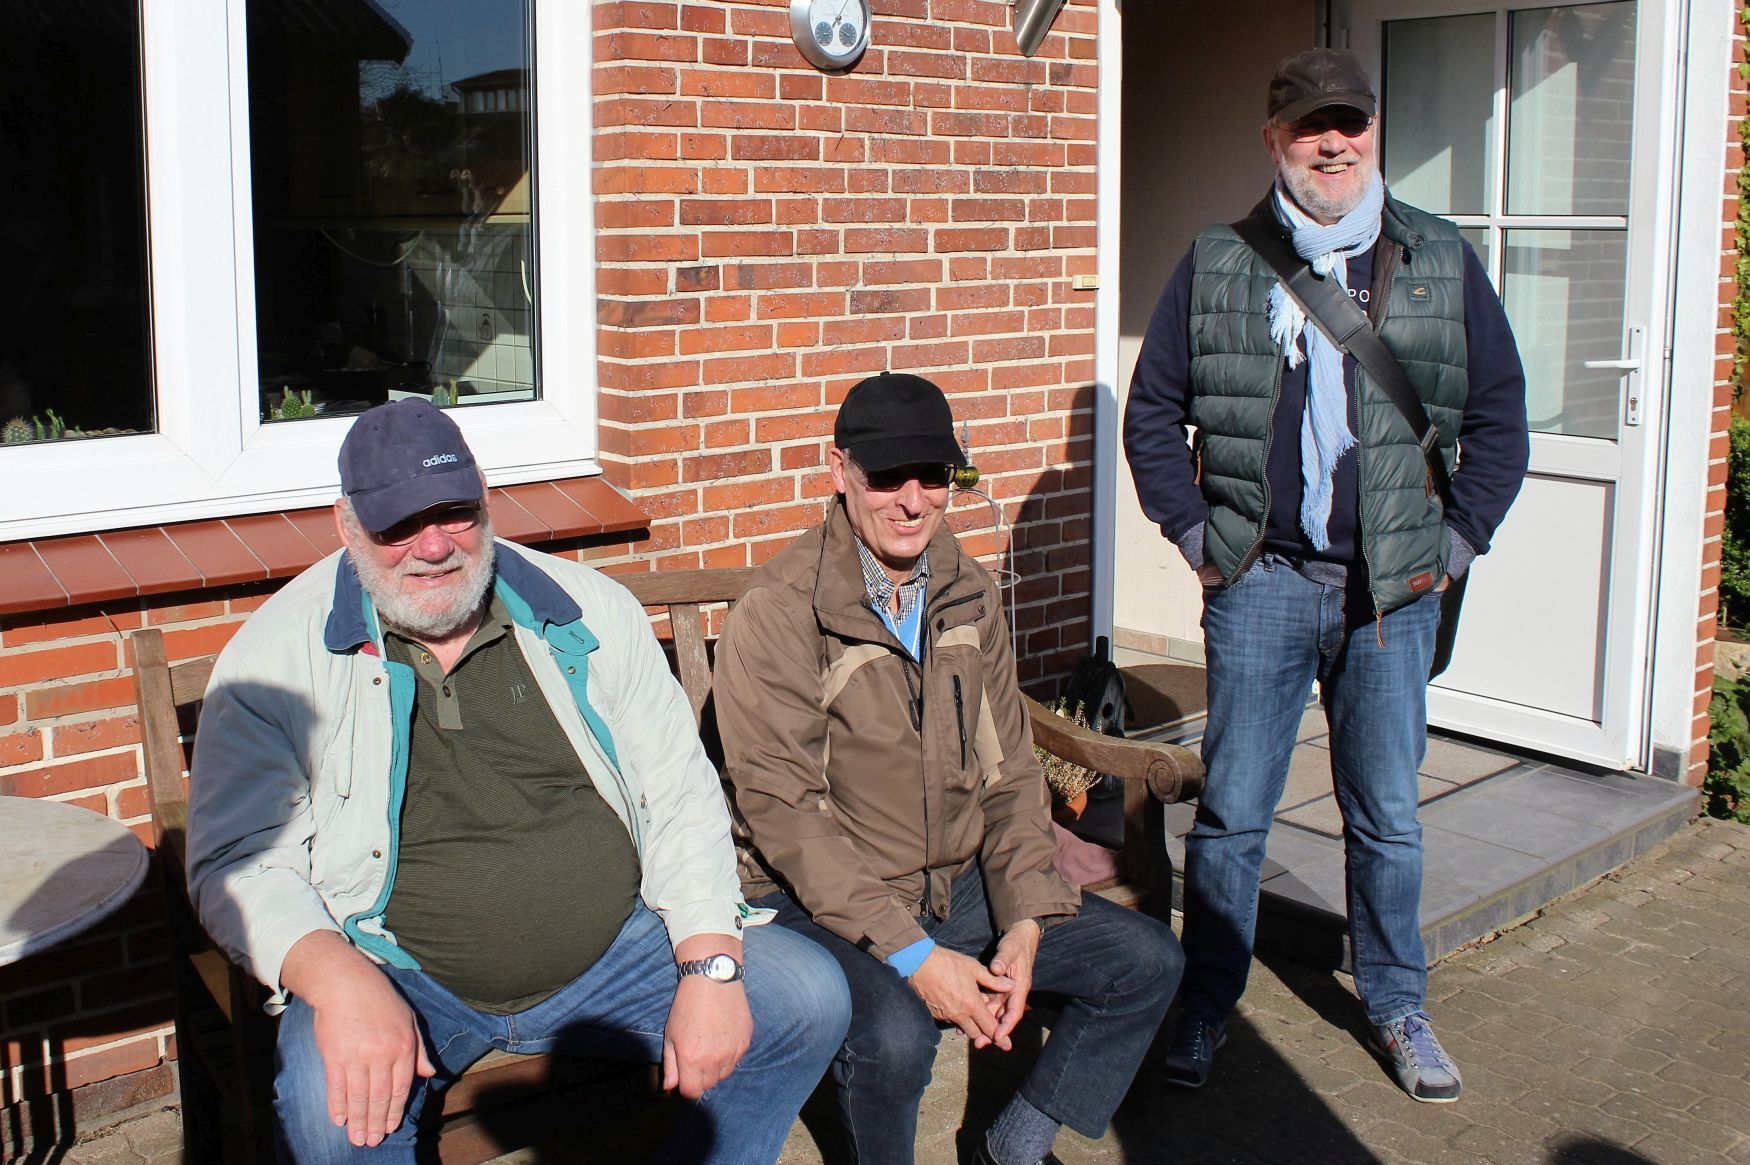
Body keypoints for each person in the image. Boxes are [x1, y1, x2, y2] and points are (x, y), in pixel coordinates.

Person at [185, 399, 850, 1163]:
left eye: (455, 512)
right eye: (399, 524)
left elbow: (678, 790)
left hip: (619, 951)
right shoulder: (277, 659)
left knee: (805, 999)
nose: (434, 545)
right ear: (346, 524)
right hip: (395, 967)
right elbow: (238, 859)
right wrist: (337, 981)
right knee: (328, 1110)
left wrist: (708, 963)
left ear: (485, 499)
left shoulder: (585, 613)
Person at [1124, 48, 1529, 1103]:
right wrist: (1199, 540)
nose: (1333, 142)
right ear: (1275, 140)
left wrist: (1453, 546)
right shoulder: (1218, 261)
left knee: (1387, 816)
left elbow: (1499, 421)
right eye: (1310, 125)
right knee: (1232, 816)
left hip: (1390, 596)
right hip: (1261, 581)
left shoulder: (1439, 257)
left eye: (1349, 121)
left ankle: (1396, 1003)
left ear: (1373, 130)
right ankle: (1207, 999)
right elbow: (1152, 413)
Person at [714, 373, 1183, 1165]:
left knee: (1146, 962)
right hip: (815, 902)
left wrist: (1026, 918)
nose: (912, 499)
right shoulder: (781, 611)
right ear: (839, 471)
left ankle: (1010, 1149)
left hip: (951, 883)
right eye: (886, 475)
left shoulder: (967, 591)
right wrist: (918, 958)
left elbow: (1011, 775)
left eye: (932, 474)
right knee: (897, 1037)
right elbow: (788, 818)